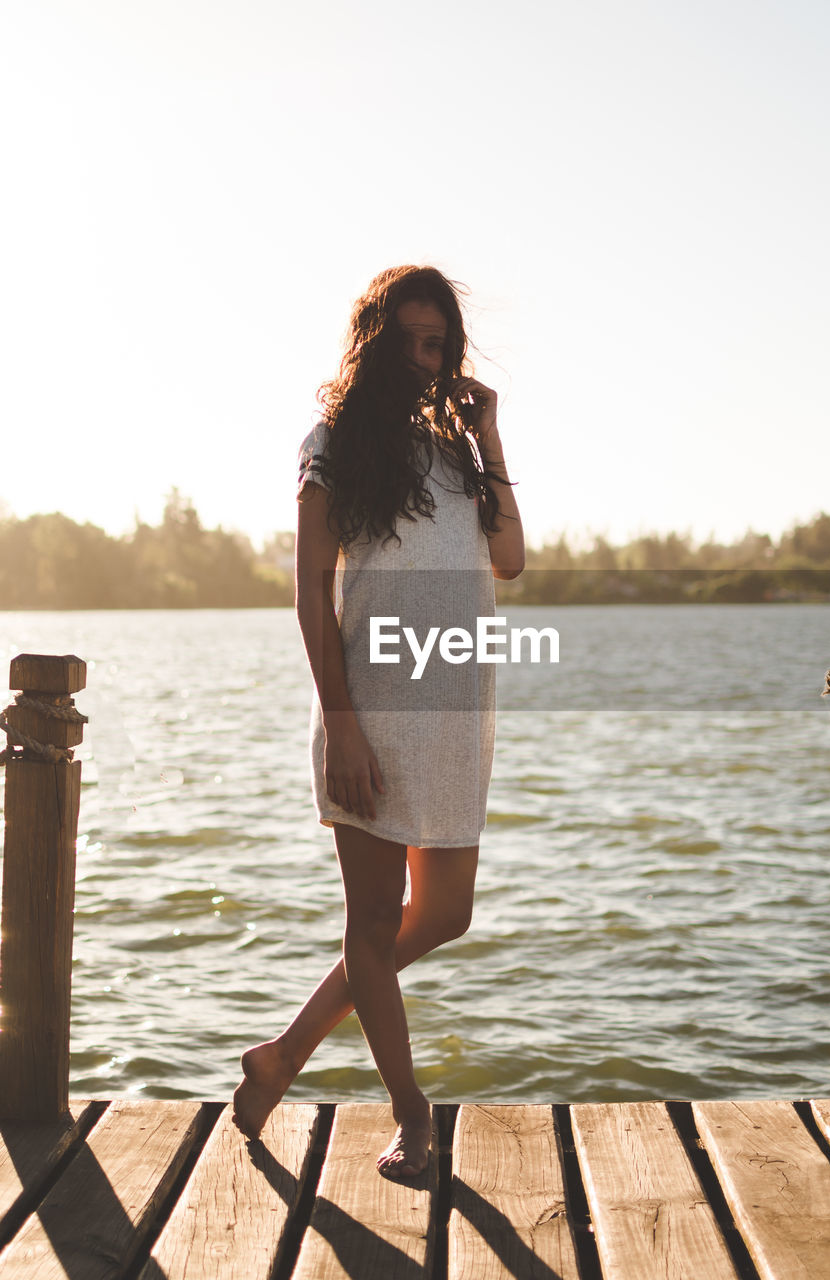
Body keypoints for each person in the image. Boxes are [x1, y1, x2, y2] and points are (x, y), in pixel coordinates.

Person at [232, 265, 525, 1178]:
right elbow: (309, 593)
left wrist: (489, 436)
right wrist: (342, 724)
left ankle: (282, 1054)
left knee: (444, 913)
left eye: (435, 340)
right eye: (404, 338)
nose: (420, 356)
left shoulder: (456, 454)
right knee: (370, 922)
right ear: (372, 341)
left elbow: (509, 561)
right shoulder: (331, 444)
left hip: (454, 717)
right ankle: (414, 1118)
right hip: (370, 715)